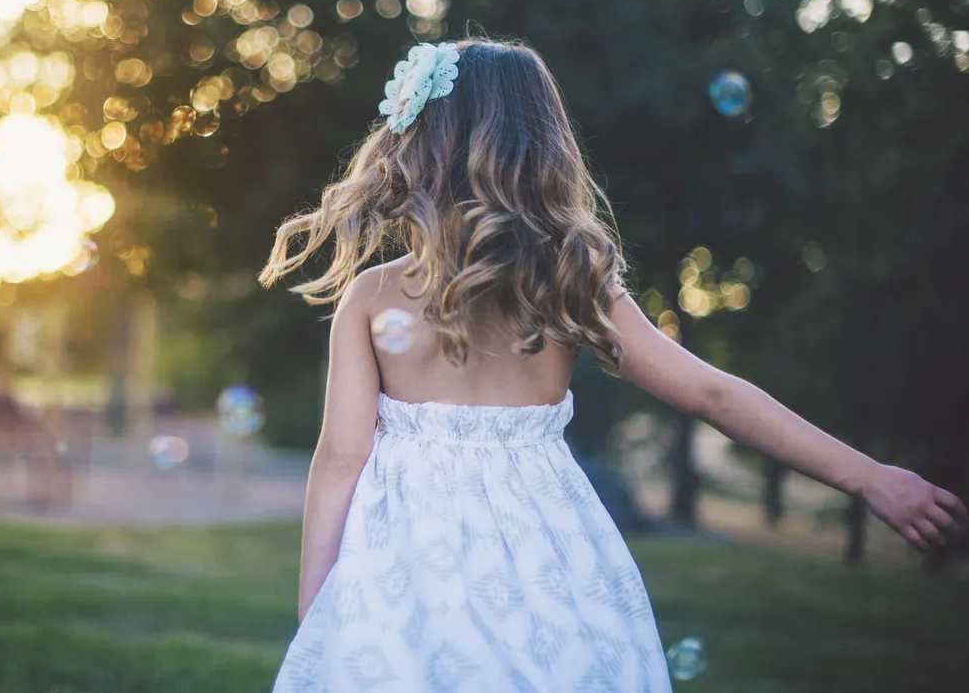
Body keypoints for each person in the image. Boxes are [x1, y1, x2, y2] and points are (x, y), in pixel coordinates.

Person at [258, 39, 967, 692]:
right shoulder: (570, 279)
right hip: (550, 563)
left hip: (405, 571)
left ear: (420, 142)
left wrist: (317, 618)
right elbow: (711, 394)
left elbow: (342, 460)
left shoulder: (375, 295)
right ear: (539, 146)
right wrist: (867, 476)